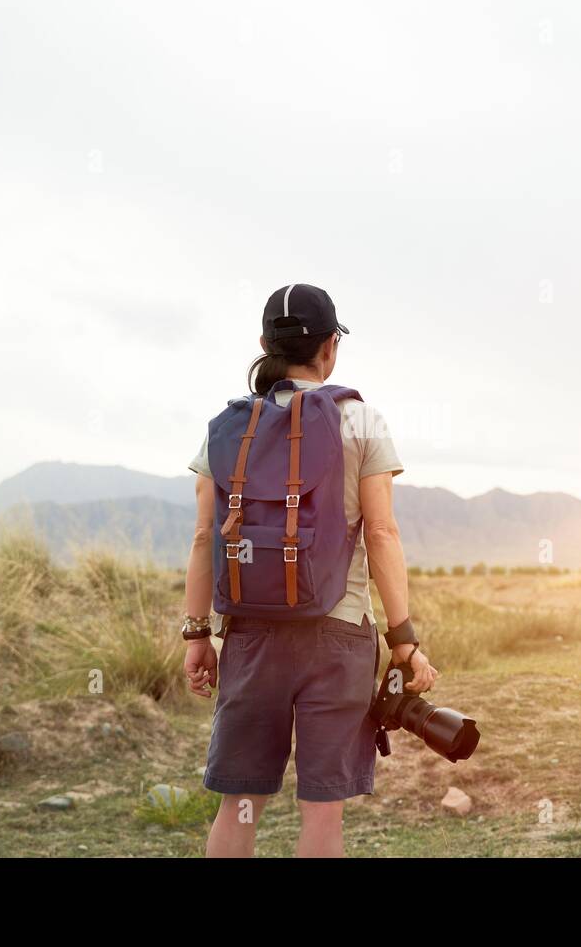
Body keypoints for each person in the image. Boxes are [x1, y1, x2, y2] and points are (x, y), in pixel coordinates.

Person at [182, 283, 437, 857]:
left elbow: (204, 537)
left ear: (264, 344)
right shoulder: (362, 420)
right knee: (322, 817)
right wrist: (404, 642)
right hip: (339, 632)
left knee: (239, 805)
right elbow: (382, 534)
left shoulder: (227, 428)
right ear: (330, 349)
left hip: (250, 634)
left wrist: (198, 633)